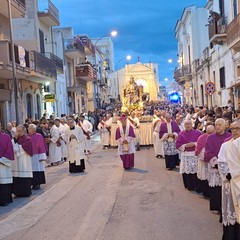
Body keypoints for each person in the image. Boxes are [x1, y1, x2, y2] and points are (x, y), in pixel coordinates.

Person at [218, 120, 240, 240]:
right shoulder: (225, 146)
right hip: (231, 184)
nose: (235, 131)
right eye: (232, 129)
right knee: (233, 214)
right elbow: (221, 163)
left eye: (237, 128)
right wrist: (230, 174)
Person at [204, 118, 231, 214]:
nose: (217, 126)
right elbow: (207, 152)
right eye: (216, 125)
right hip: (215, 167)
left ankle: (226, 208)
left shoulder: (230, 137)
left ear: (225, 126)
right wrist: (216, 163)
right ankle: (217, 207)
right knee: (216, 189)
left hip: (227, 168)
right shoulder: (210, 137)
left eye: (220, 124)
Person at [176, 119, 202, 191]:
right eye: (186, 124)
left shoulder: (197, 133)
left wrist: (194, 144)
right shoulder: (181, 134)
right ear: (184, 125)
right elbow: (178, 145)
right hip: (186, 155)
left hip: (195, 155)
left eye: (189, 124)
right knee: (187, 171)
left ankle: (197, 186)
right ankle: (189, 186)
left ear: (192, 125)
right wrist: (185, 146)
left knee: (196, 170)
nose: (188, 125)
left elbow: (201, 143)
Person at [12, 125, 33, 197]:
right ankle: (17, 193)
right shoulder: (15, 139)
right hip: (17, 162)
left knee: (24, 176)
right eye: (17, 131)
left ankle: (26, 192)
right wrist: (14, 140)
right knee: (17, 176)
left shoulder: (27, 138)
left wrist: (17, 147)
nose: (18, 133)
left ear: (23, 131)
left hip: (24, 160)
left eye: (19, 131)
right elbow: (12, 147)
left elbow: (24, 147)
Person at [195, 125, 215, 197]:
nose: (210, 135)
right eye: (209, 133)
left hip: (213, 162)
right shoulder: (202, 137)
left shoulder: (216, 137)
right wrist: (206, 156)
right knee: (204, 176)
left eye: (212, 133)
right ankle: (205, 192)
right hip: (204, 162)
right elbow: (198, 149)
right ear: (206, 131)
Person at [28, 124, 47, 190]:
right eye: (28, 128)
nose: (28, 129)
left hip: (38, 156)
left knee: (38, 169)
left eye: (30, 128)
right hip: (30, 156)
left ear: (34, 129)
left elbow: (41, 146)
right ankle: (33, 183)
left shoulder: (39, 136)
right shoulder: (28, 137)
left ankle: (37, 184)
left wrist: (42, 156)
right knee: (32, 170)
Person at [0, 122, 14, 206]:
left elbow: (9, 151)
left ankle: (5, 200)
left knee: (4, 183)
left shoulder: (6, 137)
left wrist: (1, 160)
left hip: (3, 164)